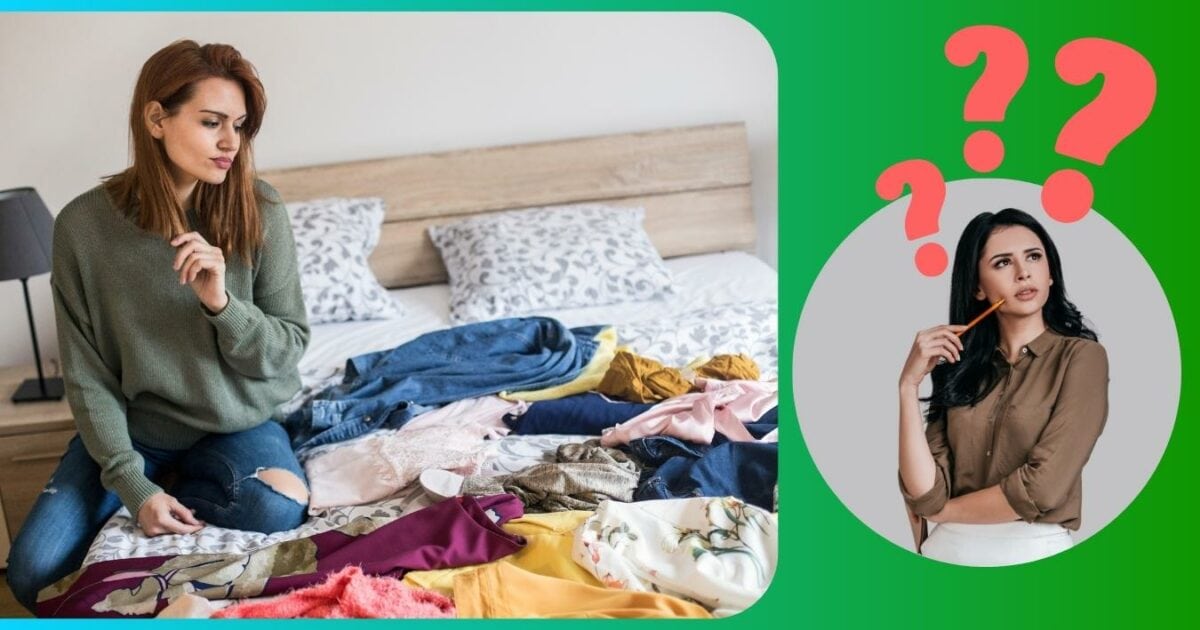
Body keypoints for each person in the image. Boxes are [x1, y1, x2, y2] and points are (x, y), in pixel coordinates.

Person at [5, 40, 311, 613]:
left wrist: (223, 306)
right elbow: (88, 376)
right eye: (211, 122)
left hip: (235, 423)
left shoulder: (260, 208)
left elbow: (285, 351)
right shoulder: (83, 227)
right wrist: (133, 485)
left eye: (240, 127)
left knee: (276, 509)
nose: (230, 143)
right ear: (155, 117)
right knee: (32, 574)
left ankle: (189, 482)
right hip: (139, 430)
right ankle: (161, 486)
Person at [897, 208, 1108, 567]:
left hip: (1036, 555)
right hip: (945, 555)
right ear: (978, 287)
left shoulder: (1083, 359)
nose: (1023, 272)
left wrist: (944, 511)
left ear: (1051, 272)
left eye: (1034, 257)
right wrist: (907, 386)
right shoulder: (958, 368)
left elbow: (1041, 489)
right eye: (1002, 263)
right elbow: (925, 494)